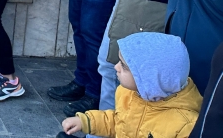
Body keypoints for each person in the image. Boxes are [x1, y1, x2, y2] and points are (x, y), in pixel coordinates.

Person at [60, 33, 201, 138]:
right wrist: (86, 121)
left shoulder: (185, 124)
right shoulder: (128, 92)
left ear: (149, 79)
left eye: (124, 66)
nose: (116, 67)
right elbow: (118, 122)